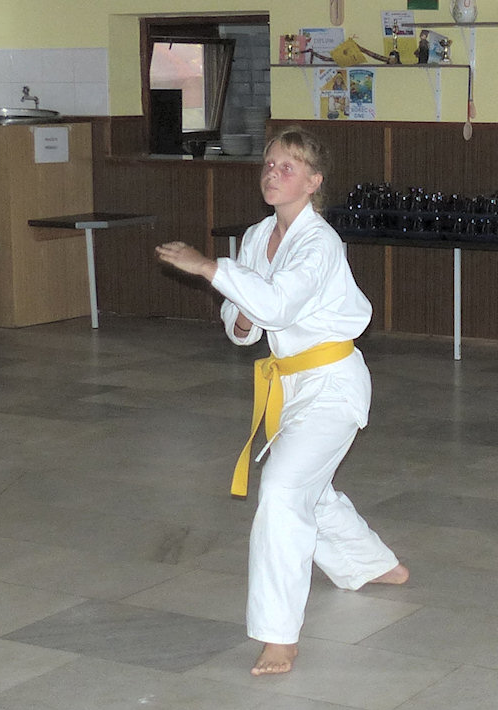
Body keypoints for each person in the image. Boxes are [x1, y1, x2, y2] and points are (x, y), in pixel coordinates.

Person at [155, 126, 408, 677]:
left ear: (313, 182)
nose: (272, 173)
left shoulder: (320, 243)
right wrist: (241, 318)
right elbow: (244, 320)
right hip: (288, 385)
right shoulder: (255, 236)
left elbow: (279, 303)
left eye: (286, 167)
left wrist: (208, 267)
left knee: (282, 489)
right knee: (307, 485)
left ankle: (278, 635)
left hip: (332, 384)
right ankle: (370, 563)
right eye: (268, 164)